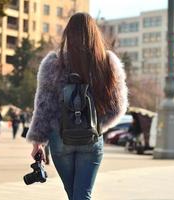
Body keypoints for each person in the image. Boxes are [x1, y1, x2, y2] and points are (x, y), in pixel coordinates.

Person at [26, 13, 128, 200]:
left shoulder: (53, 63)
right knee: (81, 196)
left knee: (75, 196)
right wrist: (96, 126)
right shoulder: (107, 62)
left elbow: (43, 107)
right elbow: (118, 107)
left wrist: (37, 141)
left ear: (68, 34)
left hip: (61, 138)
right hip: (91, 139)